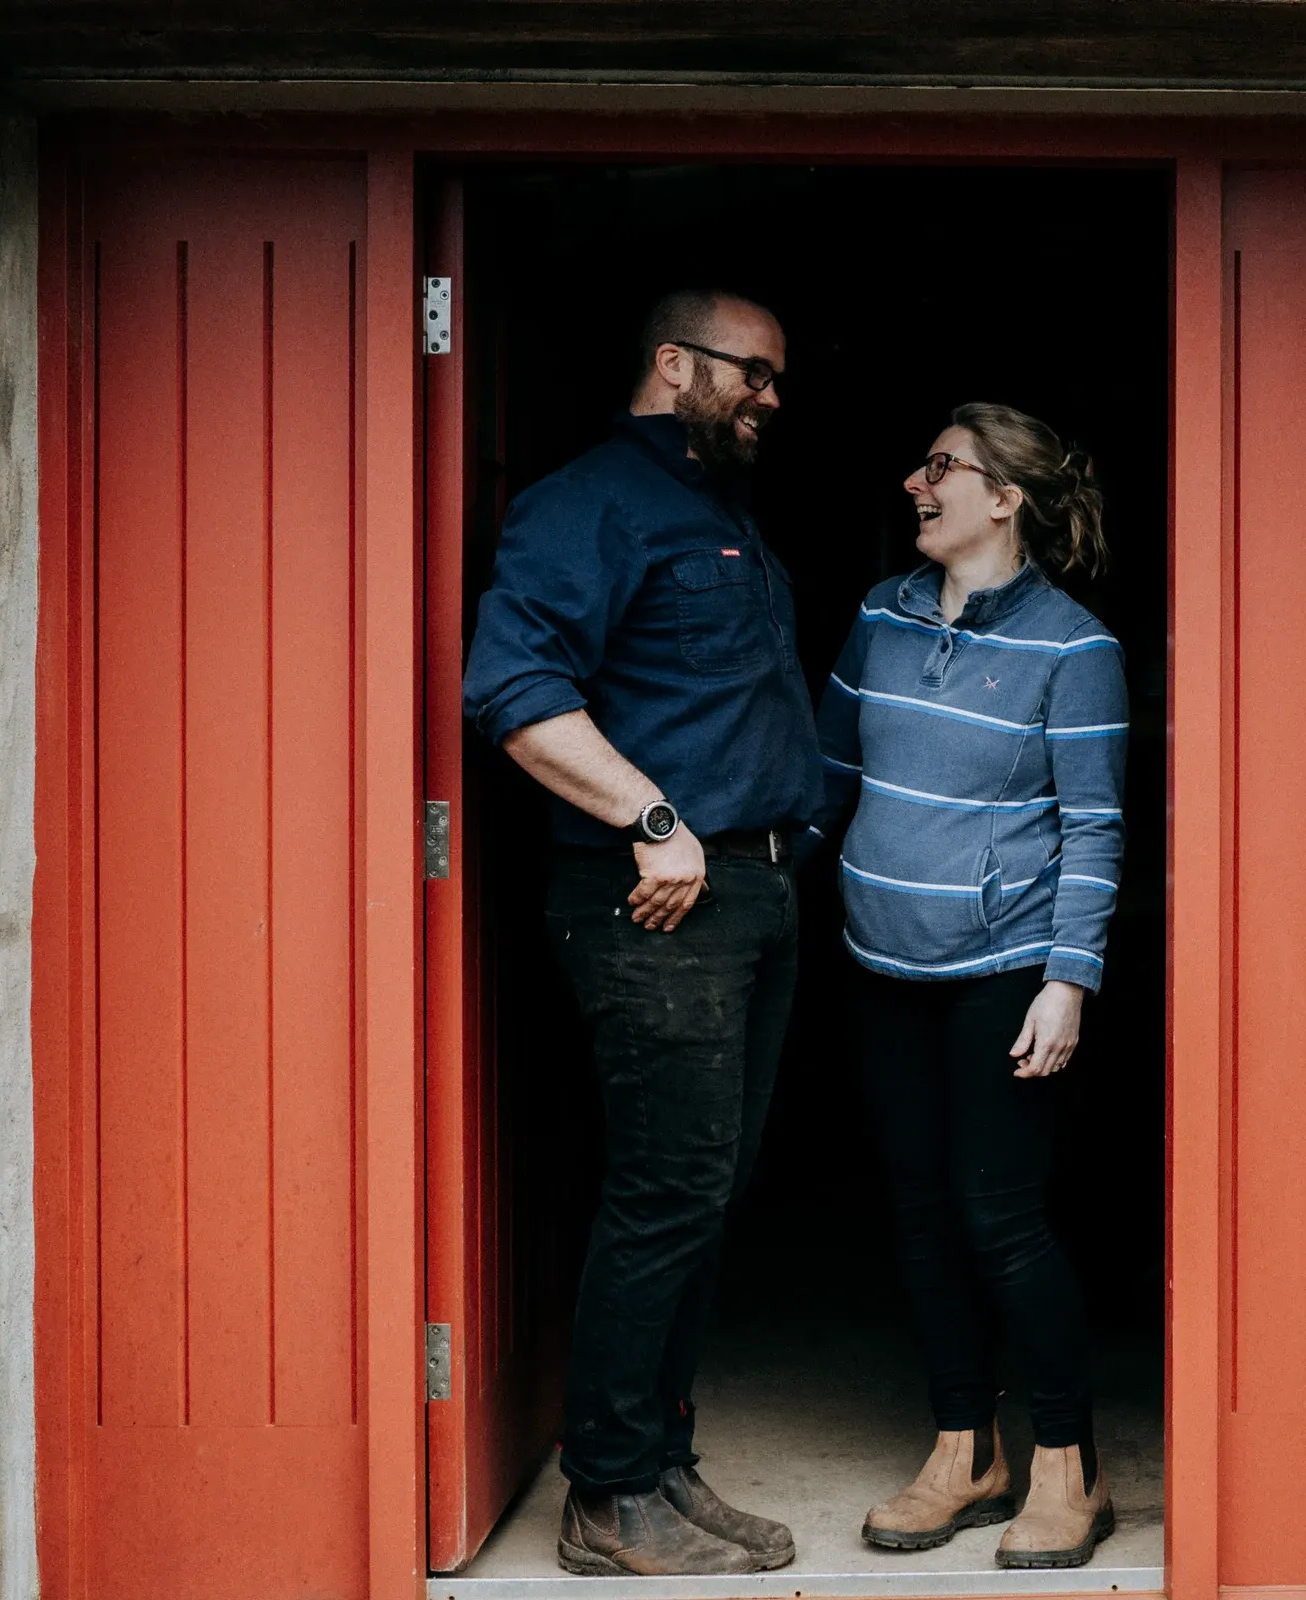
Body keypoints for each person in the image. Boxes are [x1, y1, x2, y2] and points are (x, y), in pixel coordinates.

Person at [461, 288, 820, 1578]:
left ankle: (662, 1463)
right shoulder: (589, 502)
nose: (772, 398)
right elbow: (510, 689)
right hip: (662, 898)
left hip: (751, 893)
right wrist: (652, 815)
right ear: (674, 362)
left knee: (706, 1195)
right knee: (667, 1191)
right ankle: (607, 1497)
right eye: (754, 373)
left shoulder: (721, 511)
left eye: (778, 380)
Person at [812, 404, 1128, 1569]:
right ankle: (965, 1449)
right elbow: (830, 769)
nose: (915, 482)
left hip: (1005, 970)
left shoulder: (1073, 644)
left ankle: (1065, 1466)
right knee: (921, 1215)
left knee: (1001, 1219)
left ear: (1006, 498)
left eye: (940, 466)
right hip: (879, 960)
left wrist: (1069, 980)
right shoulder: (879, 617)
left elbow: (1095, 828)